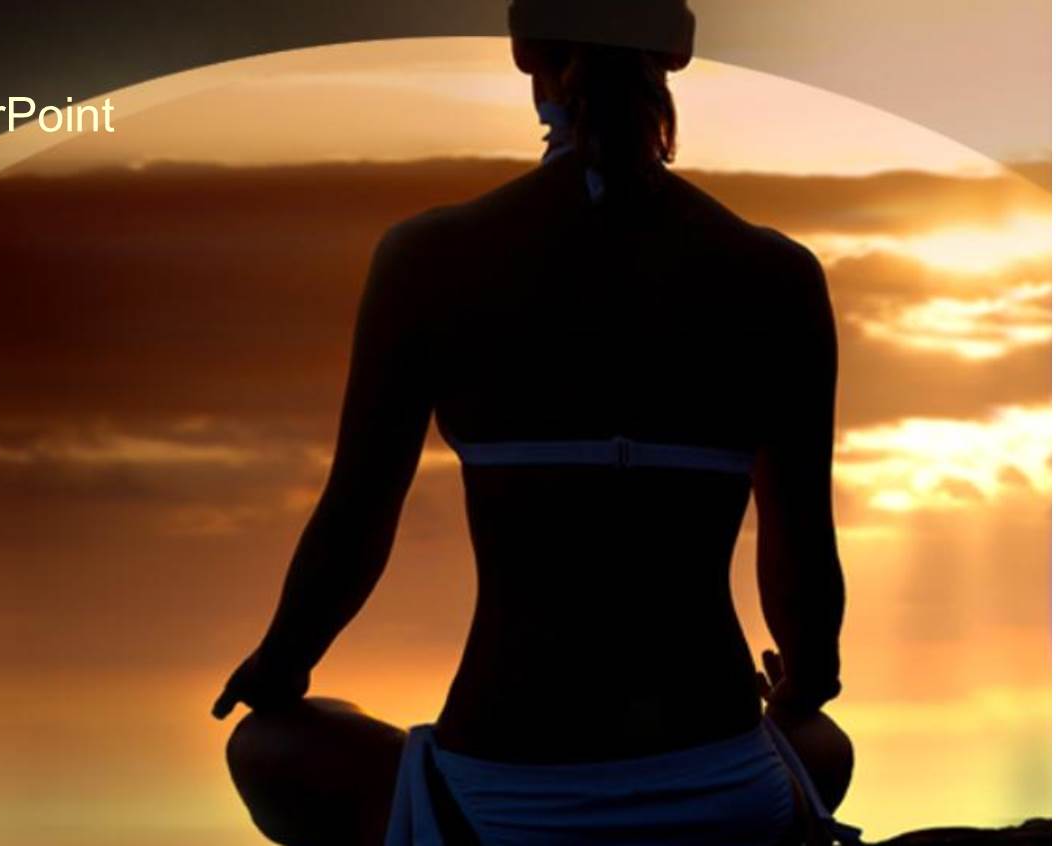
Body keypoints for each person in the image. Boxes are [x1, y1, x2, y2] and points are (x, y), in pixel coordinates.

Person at [212, 2, 855, 843]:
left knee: (270, 744)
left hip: (501, 800)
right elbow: (803, 556)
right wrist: (804, 684)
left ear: (525, 53)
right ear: (674, 51)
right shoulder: (778, 276)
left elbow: (358, 518)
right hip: (723, 787)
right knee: (820, 743)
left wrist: (280, 663)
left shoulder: (429, 257)